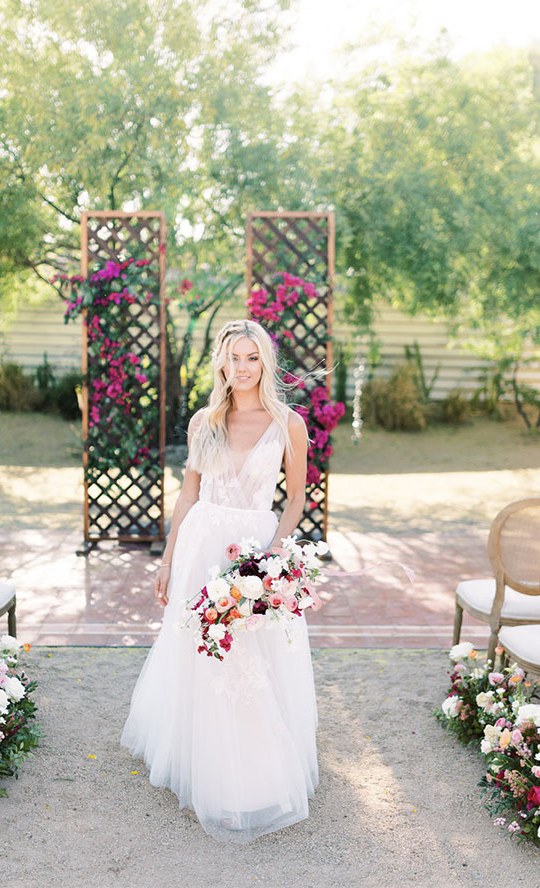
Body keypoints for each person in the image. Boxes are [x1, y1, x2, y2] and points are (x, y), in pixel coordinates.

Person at [120, 318, 318, 842]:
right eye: (235, 358)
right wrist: (167, 559)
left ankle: (249, 779)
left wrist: (273, 557)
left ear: (266, 363)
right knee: (202, 653)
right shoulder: (204, 420)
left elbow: (295, 497)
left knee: (249, 661)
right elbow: (188, 494)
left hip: (253, 551)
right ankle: (203, 760)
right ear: (222, 363)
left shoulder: (289, 424)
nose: (244, 368)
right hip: (201, 548)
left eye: (253, 358)